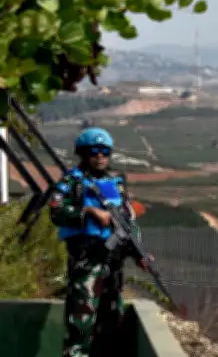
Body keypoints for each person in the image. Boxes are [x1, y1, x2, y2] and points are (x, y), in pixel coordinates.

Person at [49, 127, 147, 357]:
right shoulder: (72, 182)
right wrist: (88, 211)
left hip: (113, 264)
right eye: (94, 151)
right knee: (81, 323)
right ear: (83, 153)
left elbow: (128, 223)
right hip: (87, 262)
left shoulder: (116, 183)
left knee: (111, 322)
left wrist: (139, 253)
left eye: (105, 151)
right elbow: (56, 211)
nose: (100, 156)